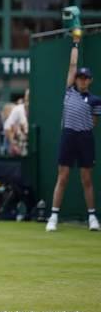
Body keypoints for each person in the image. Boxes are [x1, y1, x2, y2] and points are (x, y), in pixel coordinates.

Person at [46, 51, 101, 231]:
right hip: (68, 136)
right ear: (75, 80)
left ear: (90, 81)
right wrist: (75, 46)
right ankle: (53, 217)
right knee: (63, 176)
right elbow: (72, 66)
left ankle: (92, 218)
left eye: (86, 78)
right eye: (80, 77)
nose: (82, 80)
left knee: (86, 179)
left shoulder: (95, 100)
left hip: (85, 138)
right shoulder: (69, 91)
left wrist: (82, 127)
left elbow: (94, 122)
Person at [4, 89, 30, 157]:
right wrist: (13, 144)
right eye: (27, 98)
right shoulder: (18, 109)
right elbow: (7, 127)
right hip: (19, 149)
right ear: (25, 98)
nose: (28, 101)